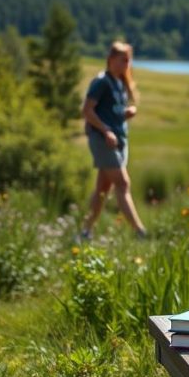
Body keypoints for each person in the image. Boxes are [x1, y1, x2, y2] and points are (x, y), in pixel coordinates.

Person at [80, 41, 147, 239]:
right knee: (123, 183)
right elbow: (87, 111)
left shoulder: (120, 83)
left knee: (103, 188)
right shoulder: (101, 82)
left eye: (128, 60)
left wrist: (126, 113)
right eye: (123, 60)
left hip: (118, 140)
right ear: (111, 60)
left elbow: (110, 112)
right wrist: (106, 130)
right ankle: (139, 231)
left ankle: (85, 231)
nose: (126, 64)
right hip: (103, 140)